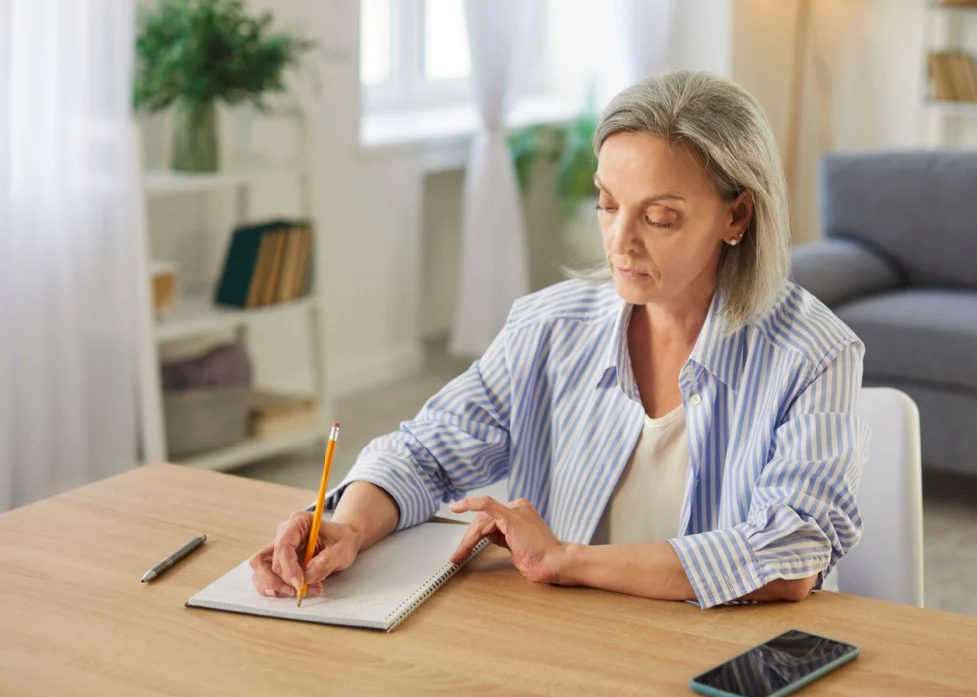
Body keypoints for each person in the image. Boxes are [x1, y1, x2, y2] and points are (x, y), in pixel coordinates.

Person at [249, 70, 869, 609]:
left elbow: (790, 556)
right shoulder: (548, 328)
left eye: (659, 217)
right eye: (607, 203)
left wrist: (566, 561)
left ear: (737, 216)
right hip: (569, 645)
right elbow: (425, 453)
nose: (619, 242)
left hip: (724, 659)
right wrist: (348, 526)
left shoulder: (814, 354)